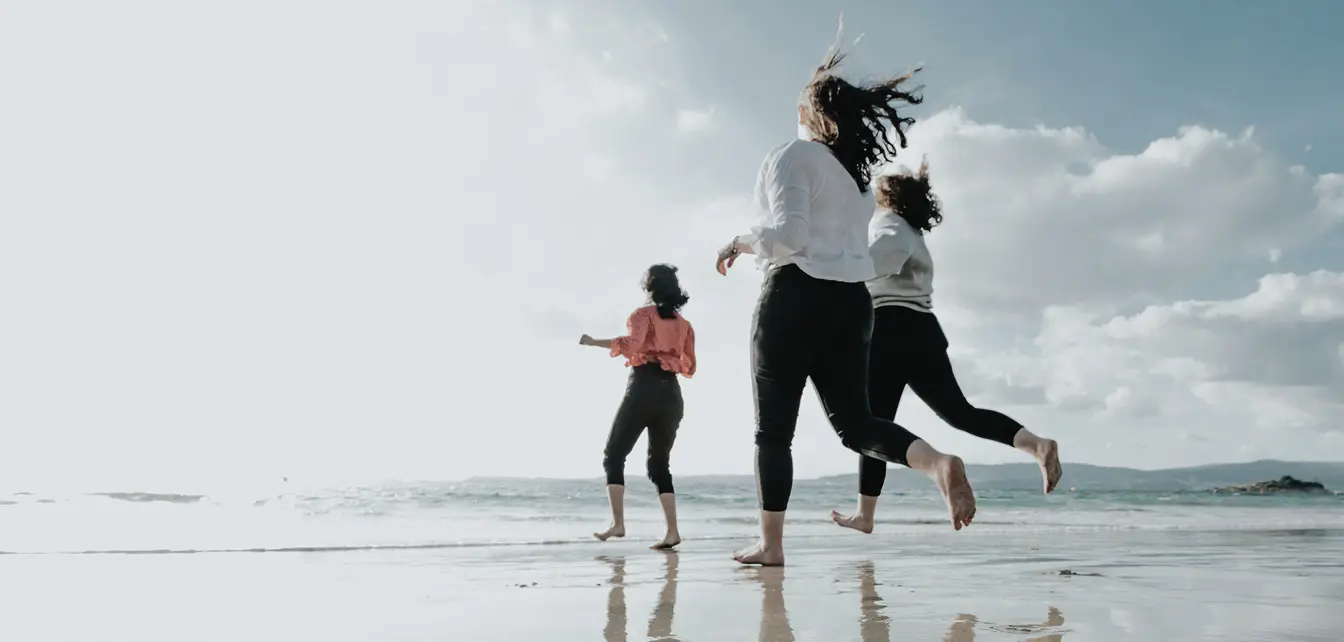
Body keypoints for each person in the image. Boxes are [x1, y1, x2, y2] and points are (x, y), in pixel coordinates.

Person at [715, 44, 975, 568]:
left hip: (795, 297)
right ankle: (936, 461)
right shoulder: (857, 183)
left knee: (773, 431)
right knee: (857, 425)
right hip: (853, 305)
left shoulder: (792, 154)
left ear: (810, 113)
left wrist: (739, 243)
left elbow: (789, 236)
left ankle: (771, 545)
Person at [830, 160, 1063, 535]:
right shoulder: (915, 235)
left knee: (873, 425)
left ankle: (868, 513)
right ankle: (1036, 445)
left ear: (889, 198)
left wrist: (839, 268)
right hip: (923, 330)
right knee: (960, 413)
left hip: (888, 329)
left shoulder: (890, 224)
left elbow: (877, 259)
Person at [580, 264, 696, 550]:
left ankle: (618, 524)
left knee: (614, 454)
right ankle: (672, 532)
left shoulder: (642, 315)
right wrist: (666, 358)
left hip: (644, 388)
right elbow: (690, 365)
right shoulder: (684, 325)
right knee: (659, 465)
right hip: (671, 393)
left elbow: (632, 345)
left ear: (649, 287)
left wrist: (594, 341)